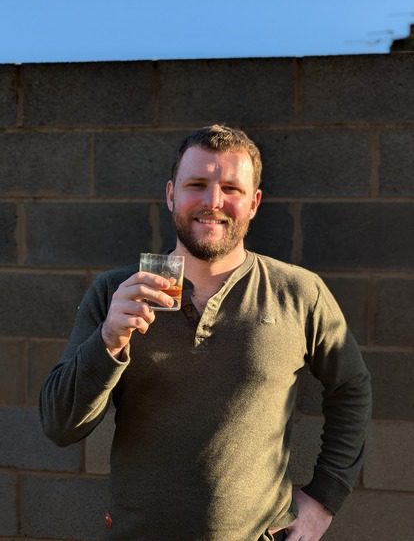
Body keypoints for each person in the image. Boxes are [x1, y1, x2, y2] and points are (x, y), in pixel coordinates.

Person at [40, 124, 372, 541]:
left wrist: (324, 498)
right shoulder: (116, 291)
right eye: (196, 184)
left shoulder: (299, 292)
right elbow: (60, 426)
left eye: (231, 189)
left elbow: (351, 389)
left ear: (254, 203)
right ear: (170, 195)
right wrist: (108, 340)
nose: (213, 202)